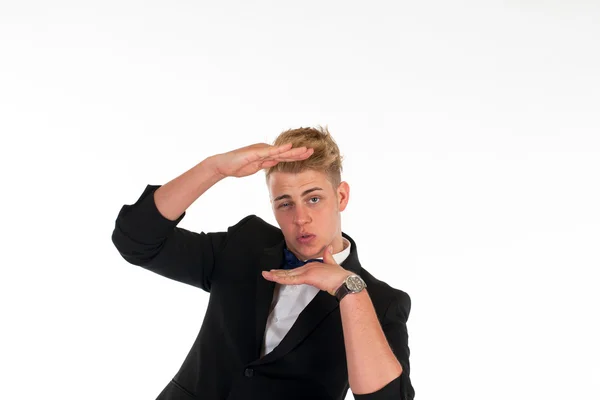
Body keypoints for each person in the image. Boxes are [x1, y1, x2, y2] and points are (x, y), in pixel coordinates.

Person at [111, 126, 415, 400]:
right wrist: (215, 169)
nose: (300, 218)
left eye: (313, 199)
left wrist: (347, 289)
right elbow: (136, 241)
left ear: (341, 196)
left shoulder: (380, 301)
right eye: (285, 203)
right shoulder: (246, 244)